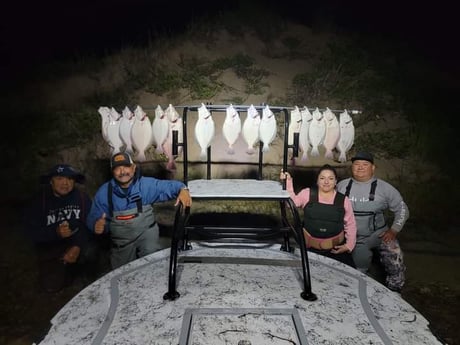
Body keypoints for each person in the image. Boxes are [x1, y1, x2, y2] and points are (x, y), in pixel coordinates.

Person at [86, 152, 192, 269]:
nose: (122, 172)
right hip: (122, 242)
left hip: (146, 234)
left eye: (126, 166)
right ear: (112, 172)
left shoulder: (145, 185)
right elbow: (94, 216)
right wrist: (96, 224)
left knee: (152, 261)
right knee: (121, 273)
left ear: (133, 168)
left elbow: (168, 186)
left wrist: (183, 189)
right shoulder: (105, 192)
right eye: (117, 168)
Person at [336, 151, 409, 292]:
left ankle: (395, 290)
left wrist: (394, 229)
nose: (360, 167)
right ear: (352, 167)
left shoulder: (385, 188)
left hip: (378, 234)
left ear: (373, 168)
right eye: (356, 164)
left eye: (365, 164)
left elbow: (403, 210)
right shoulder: (341, 186)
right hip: (352, 237)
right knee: (357, 270)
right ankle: (353, 292)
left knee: (395, 256)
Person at [23, 164, 99, 293]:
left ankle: (82, 275)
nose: (65, 183)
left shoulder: (81, 198)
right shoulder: (38, 201)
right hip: (50, 246)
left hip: (76, 242)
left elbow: (88, 224)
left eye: (70, 179)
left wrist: (77, 246)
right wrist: (55, 232)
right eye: (59, 178)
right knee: (51, 286)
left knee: (93, 251)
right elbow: (30, 233)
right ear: (51, 181)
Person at [280, 164, 357, 267]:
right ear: (317, 181)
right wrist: (288, 182)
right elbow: (291, 204)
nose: (326, 182)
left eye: (330, 178)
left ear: (335, 182)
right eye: (322, 178)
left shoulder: (343, 200)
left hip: (336, 251)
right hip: (310, 250)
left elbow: (350, 224)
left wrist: (349, 245)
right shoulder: (307, 194)